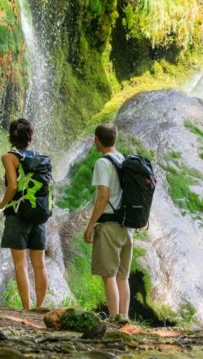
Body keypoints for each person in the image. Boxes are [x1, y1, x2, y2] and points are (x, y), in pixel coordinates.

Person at [0, 118, 48, 311]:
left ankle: (27, 308)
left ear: (10, 136)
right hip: (39, 214)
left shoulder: (9, 157)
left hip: (17, 215)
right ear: (30, 137)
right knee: (40, 265)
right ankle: (40, 307)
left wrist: (1, 204)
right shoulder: (37, 156)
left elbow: (13, 185)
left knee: (20, 264)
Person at [83, 123, 132, 322]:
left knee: (109, 275)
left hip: (109, 225)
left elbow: (103, 196)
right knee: (122, 276)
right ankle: (125, 318)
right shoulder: (123, 159)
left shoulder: (103, 163)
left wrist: (90, 225)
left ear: (97, 139)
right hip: (127, 225)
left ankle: (113, 318)